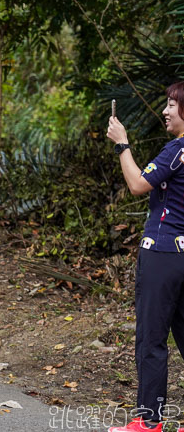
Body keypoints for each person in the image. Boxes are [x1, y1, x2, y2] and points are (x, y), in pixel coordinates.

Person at [107, 83, 184, 432]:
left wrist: (122, 144)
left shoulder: (175, 151)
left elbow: (138, 185)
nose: (166, 111)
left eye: (172, 105)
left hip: (163, 252)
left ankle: (148, 423)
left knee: (151, 339)